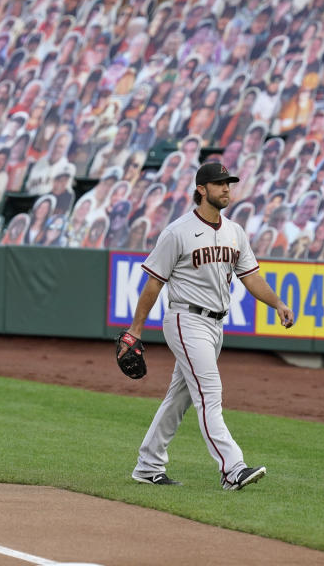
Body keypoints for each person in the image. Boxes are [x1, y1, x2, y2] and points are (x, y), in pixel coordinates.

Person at [120, 161, 295, 490]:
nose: (227, 188)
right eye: (219, 184)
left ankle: (148, 465)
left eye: (229, 183)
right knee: (209, 394)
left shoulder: (234, 232)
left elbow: (251, 277)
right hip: (185, 319)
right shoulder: (177, 231)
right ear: (201, 189)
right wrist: (136, 329)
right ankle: (233, 469)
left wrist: (278, 303)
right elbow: (153, 283)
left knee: (180, 397)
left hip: (215, 325)